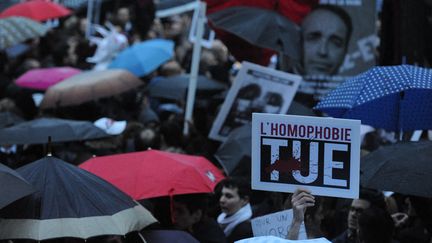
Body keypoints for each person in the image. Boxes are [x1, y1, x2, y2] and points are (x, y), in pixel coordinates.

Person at [282, 4, 353, 107]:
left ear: (345, 50)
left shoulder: (349, 100)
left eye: (335, 43)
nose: (323, 51)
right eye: (313, 38)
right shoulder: (276, 91)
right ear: (298, 42)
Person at [216, 177, 253, 243]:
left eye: (228, 196)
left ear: (245, 200)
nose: (221, 200)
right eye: (222, 194)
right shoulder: (222, 216)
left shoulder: (245, 231)